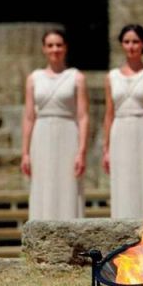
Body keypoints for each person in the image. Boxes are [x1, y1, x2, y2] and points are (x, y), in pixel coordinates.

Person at [21, 29, 89, 220]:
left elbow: (83, 116)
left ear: (65, 48)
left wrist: (81, 151)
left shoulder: (76, 77)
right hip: (41, 135)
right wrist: (25, 153)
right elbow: (28, 117)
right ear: (44, 48)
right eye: (50, 45)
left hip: (68, 133)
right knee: (43, 185)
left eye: (59, 45)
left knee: (67, 185)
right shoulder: (34, 78)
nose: (55, 49)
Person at [102, 24, 143, 218]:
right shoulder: (111, 77)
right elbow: (109, 114)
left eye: (135, 41)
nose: (131, 46)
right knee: (122, 182)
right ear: (122, 44)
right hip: (119, 130)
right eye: (127, 42)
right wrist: (106, 149)